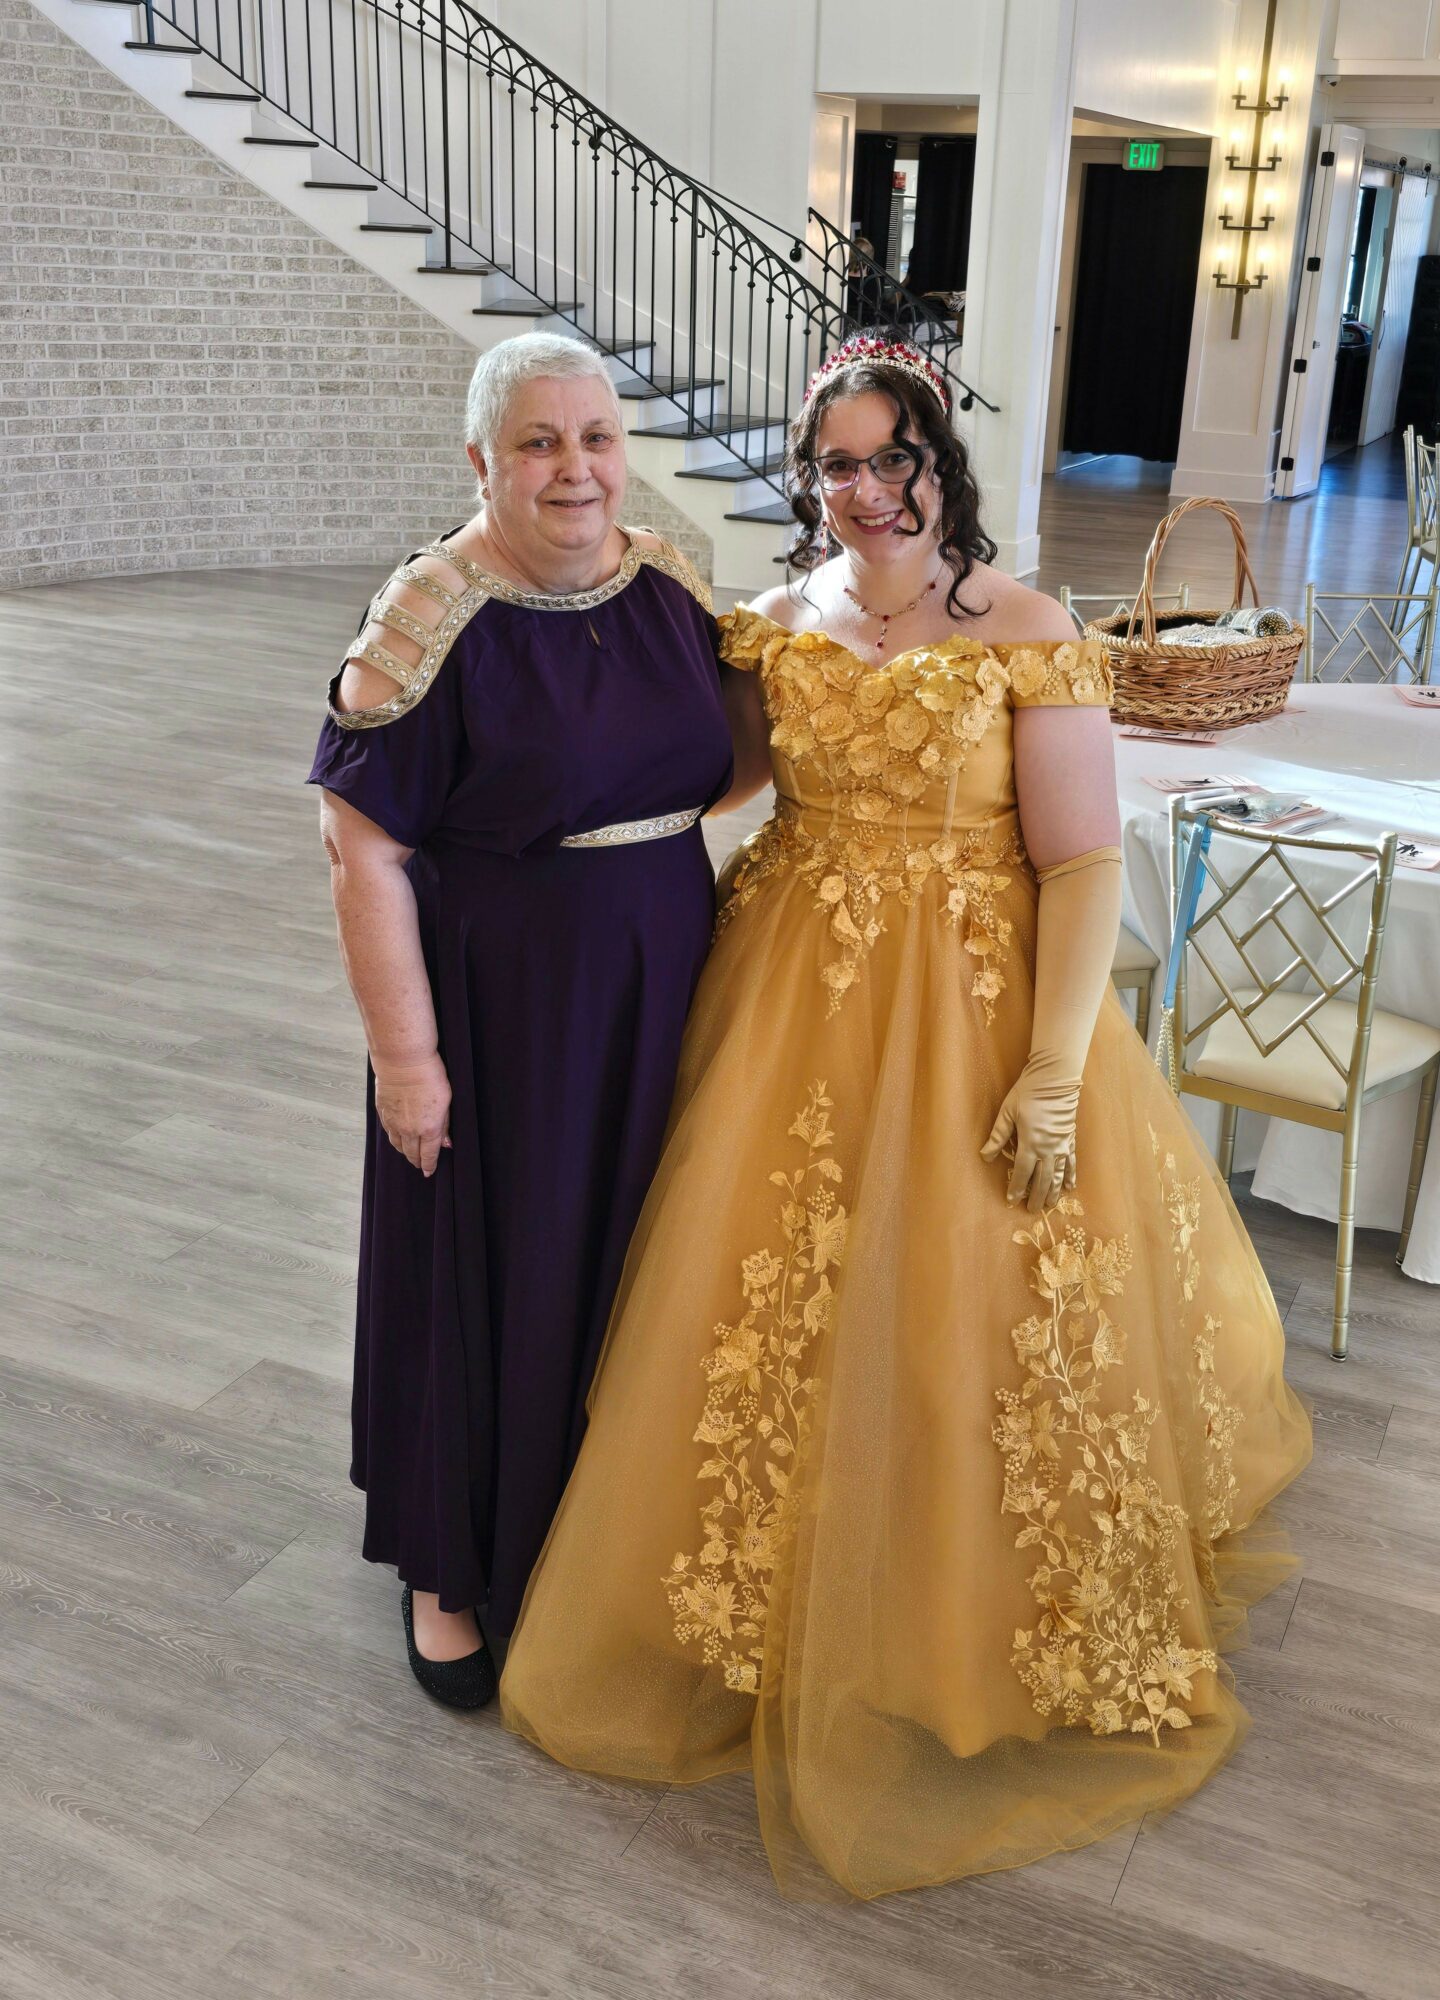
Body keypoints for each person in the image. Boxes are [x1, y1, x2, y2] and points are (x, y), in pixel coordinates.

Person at [497, 332, 1314, 1899]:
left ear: (942, 464)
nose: (867, 492)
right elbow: (710, 784)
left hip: (973, 1001)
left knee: (959, 1313)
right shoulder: (778, 625)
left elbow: (1079, 864)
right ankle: (749, 1611)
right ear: (808, 480)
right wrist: (532, 800)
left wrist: (1058, 1069)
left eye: (895, 459)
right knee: (758, 1309)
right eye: (839, 465)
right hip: (788, 993)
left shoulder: (1025, 629)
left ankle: (942, 1631)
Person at [309, 332, 747, 1708]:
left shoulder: (667, 580)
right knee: (487, 1252)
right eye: (540, 443)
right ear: (482, 463)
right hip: (501, 997)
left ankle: (583, 1523)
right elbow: (361, 847)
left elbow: (731, 762)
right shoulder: (428, 618)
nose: (576, 469)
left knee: (625, 1252)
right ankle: (448, 1566)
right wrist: (409, 1059)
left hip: (662, 967)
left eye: (597, 437)